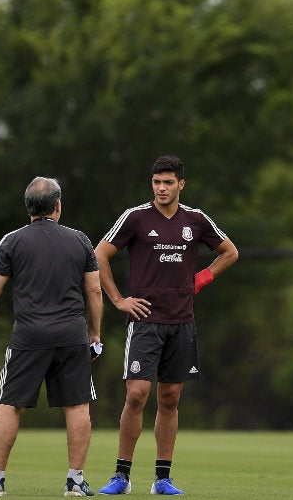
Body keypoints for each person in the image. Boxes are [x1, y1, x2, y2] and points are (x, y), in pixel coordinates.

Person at [95, 156, 238, 496]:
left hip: (182, 322)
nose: (162, 188)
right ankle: (122, 475)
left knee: (170, 398)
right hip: (144, 322)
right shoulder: (135, 218)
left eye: (168, 182)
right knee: (136, 395)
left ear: (181, 185)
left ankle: (162, 479)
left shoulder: (196, 220)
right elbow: (99, 254)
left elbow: (230, 252)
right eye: (157, 182)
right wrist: (118, 300)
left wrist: (201, 279)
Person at [0, 176, 104, 498]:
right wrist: (94, 334)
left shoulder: (12, 241)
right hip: (72, 335)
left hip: (29, 336)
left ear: (28, 208)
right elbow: (94, 290)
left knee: (8, 406)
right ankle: (76, 481)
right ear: (58, 206)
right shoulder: (80, 241)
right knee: (77, 407)